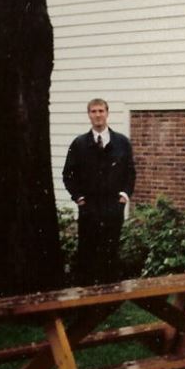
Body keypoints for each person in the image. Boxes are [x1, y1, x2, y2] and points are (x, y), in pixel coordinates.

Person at [63, 98, 136, 286]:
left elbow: (130, 173)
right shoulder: (79, 144)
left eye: (101, 111)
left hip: (113, 206)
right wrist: (78, 197)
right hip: (89, 207)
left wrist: (124, 196)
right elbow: (68, 174)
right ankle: (87, 295)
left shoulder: (122, 142)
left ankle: (110, 295)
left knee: (110, 250)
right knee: (88, 251)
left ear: (107, 113)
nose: (98, 115)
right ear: (89, 115)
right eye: (93, 111)